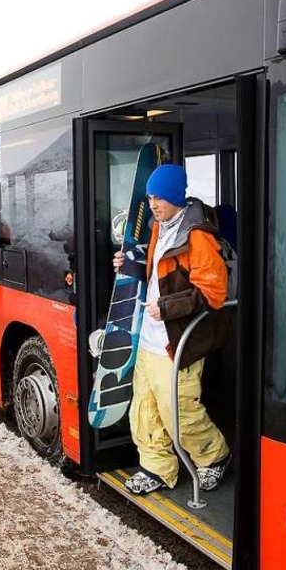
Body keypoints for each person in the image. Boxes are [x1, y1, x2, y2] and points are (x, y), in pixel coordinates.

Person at [113, 164, 231, 496]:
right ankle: (157, 466)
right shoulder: (159, 227)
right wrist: (132, 266)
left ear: (176, 196)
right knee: (145, 408)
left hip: (178, 341)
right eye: (151, 196)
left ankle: (214, 457)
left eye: (160, 197)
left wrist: (166, 308)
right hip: (150, 338)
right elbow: (159, 276)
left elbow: (214, 292)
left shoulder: (197, 236)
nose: (153, 203)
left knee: (178, 408)